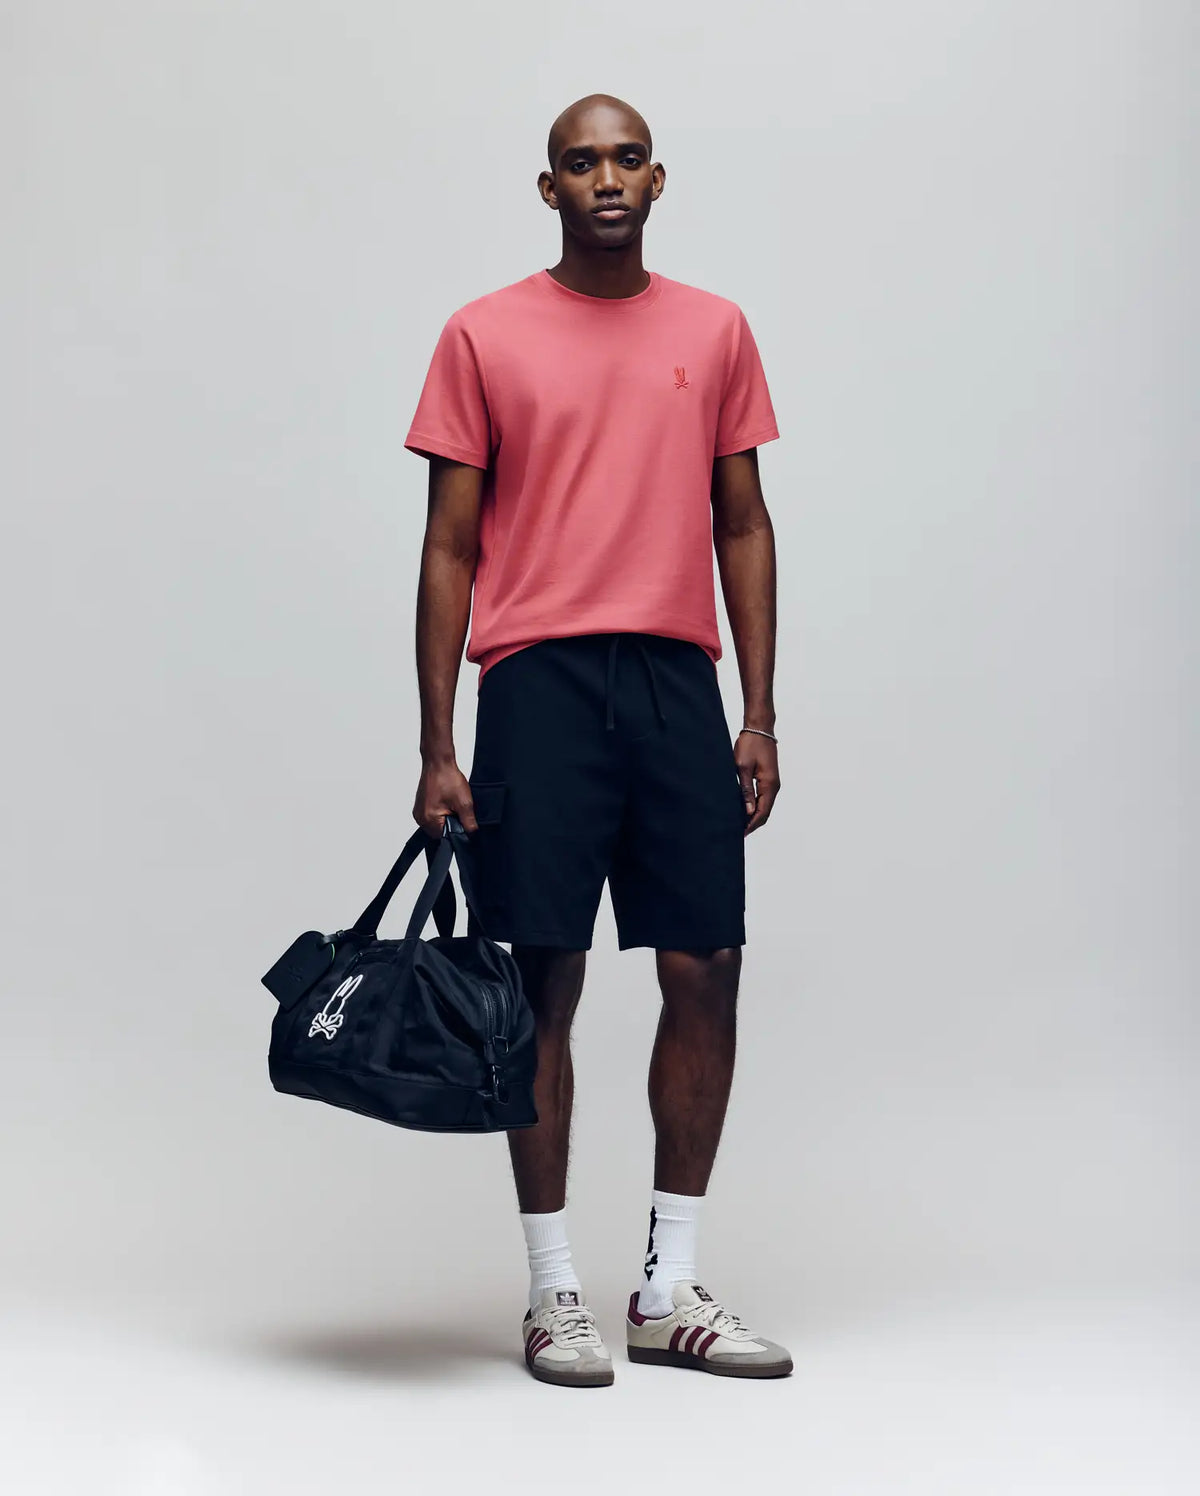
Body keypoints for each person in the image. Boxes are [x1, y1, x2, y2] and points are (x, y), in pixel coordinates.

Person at [404, 92, 790, 1387]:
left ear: (658, 180)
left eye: (627, 159)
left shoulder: (715, 329)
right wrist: (438, 743)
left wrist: (759, 713)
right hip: (539, 684)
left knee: (706, 965)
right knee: (540, 981)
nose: (607, 178)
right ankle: (554, 1291)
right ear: (550, 188)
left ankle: (668, 1289)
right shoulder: (484, 332)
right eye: (582, 162)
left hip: (678, 681)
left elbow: (744, 521)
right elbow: (449, 545)